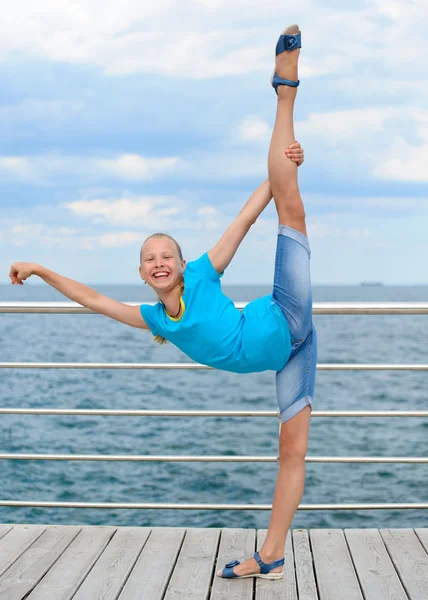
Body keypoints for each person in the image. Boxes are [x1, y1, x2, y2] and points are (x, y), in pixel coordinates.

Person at [9, 23, 316, 582]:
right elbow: (93, 299)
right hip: (293, 353)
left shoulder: (202, 274)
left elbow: (245, 221)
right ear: (144, 274)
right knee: (288, 452)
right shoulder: (155, 319)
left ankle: (285, 89)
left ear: (178, 261)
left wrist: (279, 171)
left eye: (165, 253)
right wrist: (40, 268)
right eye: (148, 258)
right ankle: (270, 557)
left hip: (286, 310)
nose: (158, 262)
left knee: (288, 210)